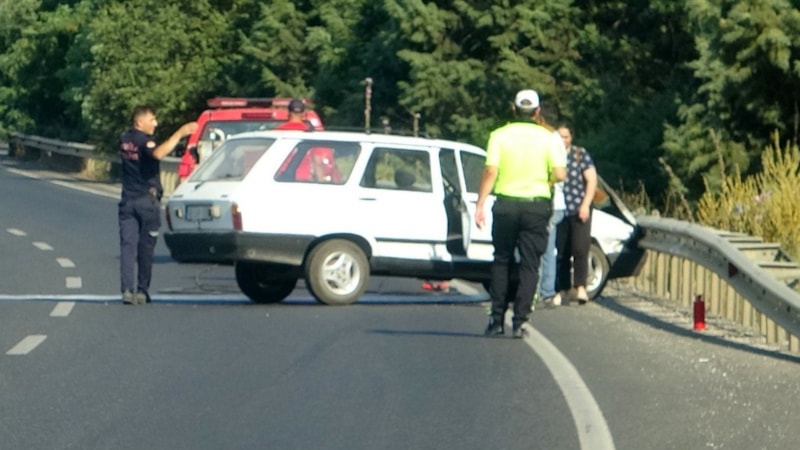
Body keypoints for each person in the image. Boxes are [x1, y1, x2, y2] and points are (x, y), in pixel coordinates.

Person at [475, 89, 567, 338]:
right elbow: (560, 174)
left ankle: (496, 319)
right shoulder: (549, 138)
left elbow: (490, 172)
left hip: (506, 204)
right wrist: (544, 182)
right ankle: (520, 321)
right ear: (537, 112)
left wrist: (480, 204)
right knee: (530, 263)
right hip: (536, 205)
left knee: (502, 259)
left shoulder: (499, 136)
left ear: (513, 109)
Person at [119, 105, 197, 304]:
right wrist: (180, 133)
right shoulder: (145, 142)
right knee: (145, 249)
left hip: (127, 201)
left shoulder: (125, 140)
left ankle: (126, 289)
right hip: (147, 201)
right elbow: (158, 154)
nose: (156, 124)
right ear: (140, 122)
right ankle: (142, 290)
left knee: (128, 247)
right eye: (152, 120)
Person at [554, 125, 598, 305]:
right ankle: (561, 289)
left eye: (566, 136)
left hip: (579, 207)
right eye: (560, 137)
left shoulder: (580, 154)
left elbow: (591, 180)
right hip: (558, 209)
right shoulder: (552, 155)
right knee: (561, 252)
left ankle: (580, 287)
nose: (563, 140)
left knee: (580, 249)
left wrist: (585, 205)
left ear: (571, 137)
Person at [535, 108, 568, 308]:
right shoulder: (554, 139)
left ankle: (544, 290)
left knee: (544, 248)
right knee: (545, 247)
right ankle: (544, 290)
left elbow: (558, 173)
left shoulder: (551, 139)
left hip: (552, 203)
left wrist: (544, 184)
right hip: (553, 203)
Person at [277, 98, 340, 182]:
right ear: (303, 114)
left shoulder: (278, 131)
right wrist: (321, 183)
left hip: (281, 179)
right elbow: (317, 161)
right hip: (303, 180)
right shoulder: (310, 134)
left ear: (288, 112)